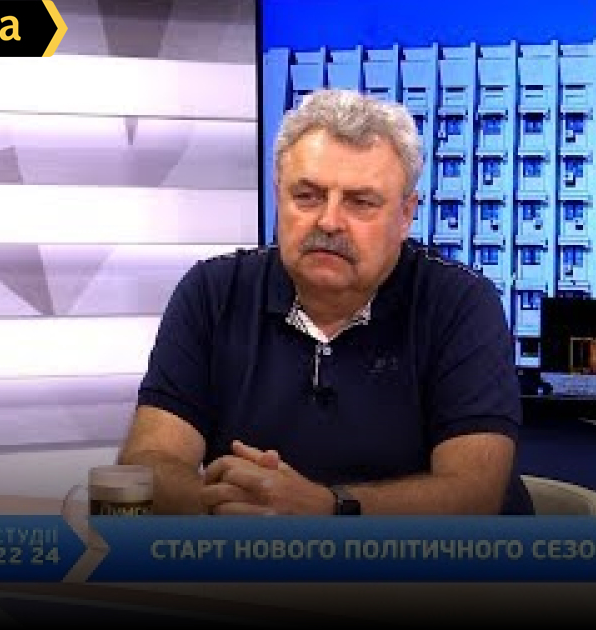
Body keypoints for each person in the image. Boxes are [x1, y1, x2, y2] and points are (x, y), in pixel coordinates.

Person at [116, 87, 534, 516]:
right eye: (307, 196)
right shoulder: (213, 293)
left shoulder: (461, 304)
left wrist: (329, 510)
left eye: (361, 202)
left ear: (405, 215)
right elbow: (145, 465)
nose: (329, 221)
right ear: (278, 196)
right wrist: (236, 513)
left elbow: (473, 493)